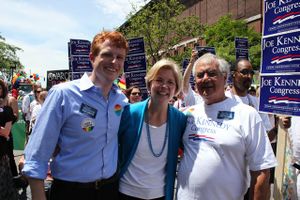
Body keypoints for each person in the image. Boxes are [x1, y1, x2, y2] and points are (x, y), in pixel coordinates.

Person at [23, 31, 129, 200]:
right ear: (92, 57)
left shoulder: (121, 100)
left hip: (109, 190)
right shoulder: (63, 94)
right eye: (107, 54)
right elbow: (37, 154)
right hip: (71, 192)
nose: (114, 61)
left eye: (120, 57)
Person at [176, 53, 277, 200]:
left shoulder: (247, 114)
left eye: (211, 73)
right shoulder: (187, 115)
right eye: (200, 75)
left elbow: (262, 170)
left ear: (224, 77)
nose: (205, 78)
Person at [118, 59, 187, 200]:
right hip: (126, 193)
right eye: (159, 80)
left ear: (176, 89)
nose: (164, 86)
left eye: (170, 82)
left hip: (160, 195)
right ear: (149, 84)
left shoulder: (180, 120)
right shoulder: (129, 113)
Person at [0, 80, 18, 200]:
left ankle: (16, 180)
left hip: (2, 144)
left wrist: (7, 127)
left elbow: (5, 131)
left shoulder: (8, 107)